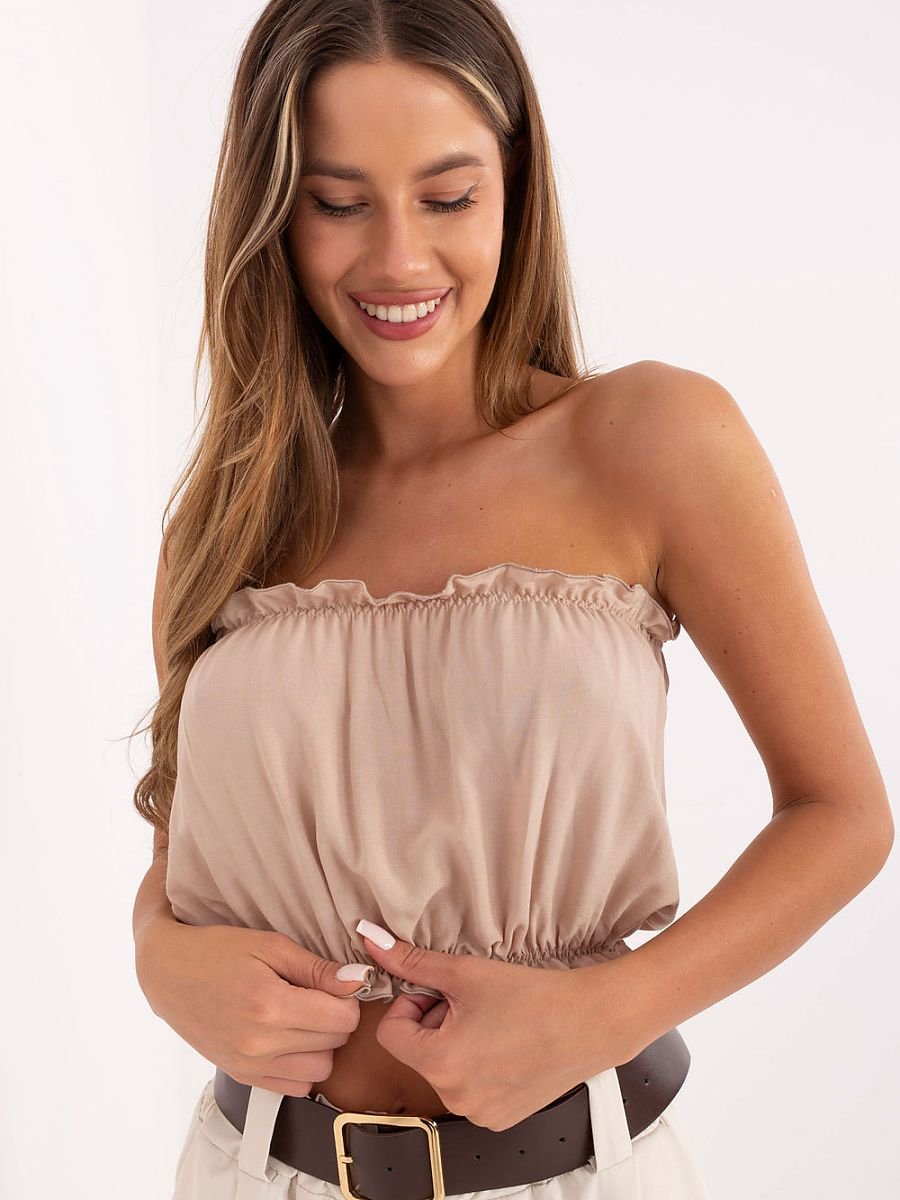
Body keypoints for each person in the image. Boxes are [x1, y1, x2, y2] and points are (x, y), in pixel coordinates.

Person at [130, 2, 894, 1198]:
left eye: (447, 197)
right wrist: (154, 956)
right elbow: (185, 846)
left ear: (516, 190)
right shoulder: (232, 514)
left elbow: (842, 815)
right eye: (339, 203)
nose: (398, 260)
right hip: (249, 1171)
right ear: (272, 213)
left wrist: (609, 1011)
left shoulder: (650, 439)